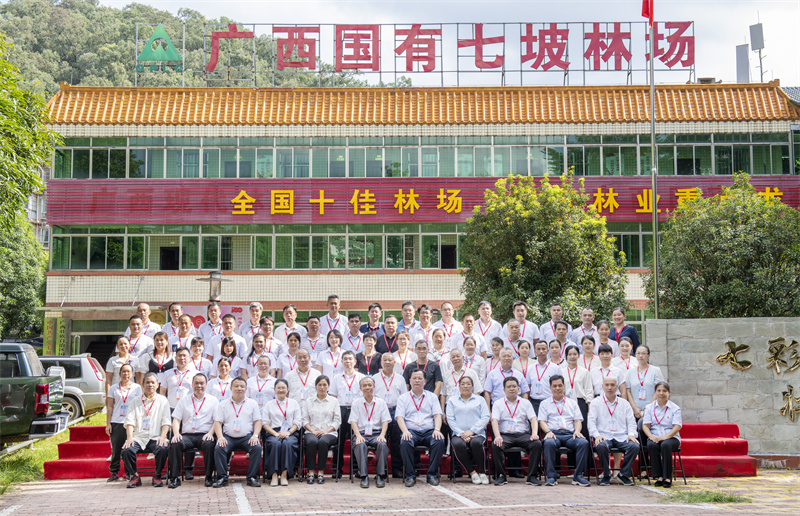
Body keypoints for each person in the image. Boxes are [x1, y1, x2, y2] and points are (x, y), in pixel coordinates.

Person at [537, 375, 591, 486]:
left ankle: (578, 476)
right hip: (553, 433)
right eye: (554, 386)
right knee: (548, 443)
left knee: (583, 443)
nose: (557, 388)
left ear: (564, 386)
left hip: (570, 434)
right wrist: (548, 431)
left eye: (560, 385)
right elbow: (542, 421)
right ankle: (551, 477)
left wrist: (577, 431)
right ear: (550, 387)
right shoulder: (544, 403)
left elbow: (577, 420)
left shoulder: (572, 403)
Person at [396, 369, 446, 487]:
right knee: (405, 442)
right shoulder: (403, 398)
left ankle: (432, 475)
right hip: (411, 431)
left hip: (429, 431)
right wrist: (405, 431)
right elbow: (399, 417)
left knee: (439, 440)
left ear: (425, 381)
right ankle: (410, 475)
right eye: (414, 378)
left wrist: (437, 430)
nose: (417, 381)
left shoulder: (432, 397)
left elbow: (437, 415)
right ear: (410, 381)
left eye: (420, 378)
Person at [167, 373, 219, 488]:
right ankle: (175, 478)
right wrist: (176, 434)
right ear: (192, 385)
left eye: (201, 383)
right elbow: (176, 419)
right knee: (175, 443)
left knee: (209, 444)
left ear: (206, 385)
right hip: (187, 435)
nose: (199, 386)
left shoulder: (213, 400)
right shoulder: (184, 400)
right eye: (196, 383)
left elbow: (217, 421)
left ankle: (208, 477)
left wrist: (210, 433)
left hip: (205, 434)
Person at [121, 373, 171, 488]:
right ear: (142, 385)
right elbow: (130, 421)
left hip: (155, 436)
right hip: (138, 437)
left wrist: (162, 437)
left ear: (157, 385)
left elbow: (166, 421)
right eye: (147, 382)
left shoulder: (163, 401)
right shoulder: (135, 401)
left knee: (163, 448)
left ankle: (157, 475)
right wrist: (129, 438)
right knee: (126, 450)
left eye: (153, 382)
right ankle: (134, 476)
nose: (150, 385)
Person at [490, 376, 542, 486]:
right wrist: (498, 436)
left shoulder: (525, 403)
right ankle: (501, 475)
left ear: (518, 389)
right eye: (509, 387)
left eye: (514, 386)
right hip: (506, 435)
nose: (512, 389)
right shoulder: (498, 403)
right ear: (504, 390)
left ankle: (532, 476)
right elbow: (494, 420)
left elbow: (533, 419)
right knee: (496, 445)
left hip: (523, 435)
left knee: (536, 444)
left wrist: (534, 434)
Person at [587, 376, 639, 486]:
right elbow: (591, 422)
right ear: (602, 386)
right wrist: (596, 435)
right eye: (607, 385)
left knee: (634, 446)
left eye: (612, 385)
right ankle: (607, 474)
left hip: (622, 436)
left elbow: (631, 422)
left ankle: (623, 474)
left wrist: (631, 434)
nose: (609, 388)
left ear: (617, 387)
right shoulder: (596, 402)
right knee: (601, 445)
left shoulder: (624, 403)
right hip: (604, 436)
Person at [212, 377, 263, 488]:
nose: (239, 388)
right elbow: (217, 422)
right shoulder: (223, 404)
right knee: (219, 448)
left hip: (246, 437)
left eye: (242, 386)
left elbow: (258, 421)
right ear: (231, 388)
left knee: (257, 448)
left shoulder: (253, 403)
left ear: (246, 389)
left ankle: (252, 478)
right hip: (228, 437)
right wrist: (220, 437)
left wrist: (255, 435)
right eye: (236, 386)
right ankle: (222, 478)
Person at [446, 376, 490, 485]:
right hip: (459, 434)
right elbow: (450, 419)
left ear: (473, 386)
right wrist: (462, 434)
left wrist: (472, 431)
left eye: (468, 384)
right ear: (459, 386)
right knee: (458, 444)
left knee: (476, 443)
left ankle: (482, 472)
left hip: (477, 433)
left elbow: (485, 417)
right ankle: (472, 472)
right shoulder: (452, 400)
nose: (466, 386)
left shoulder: (480, 400)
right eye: (463, 384)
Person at [349, 377, 391, 488]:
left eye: (369, 385)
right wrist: (358, 436)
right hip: (361, 433)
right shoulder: (356, 403)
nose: (367, 387)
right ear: (360, 388)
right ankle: (364, 476)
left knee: (382, 444)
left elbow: (385, 421)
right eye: (364, 385)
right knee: (360, 444)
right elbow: (353, 422)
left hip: (377, 433)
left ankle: (380, 475)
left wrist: (382, 435)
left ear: (374, 387)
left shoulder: (381, 402)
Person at [372, 353, 407, 478]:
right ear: (381, 363)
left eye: (390, 360)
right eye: (385, 360)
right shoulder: (375, 378)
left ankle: (397, 469)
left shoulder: (400, 378)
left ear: (394, 363)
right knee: (380, 440)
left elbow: (404, 398)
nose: (387, 362)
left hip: (395, 411)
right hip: (379, 412)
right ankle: (382, 469)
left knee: (396, 440)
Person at [329, 351, 364, 478]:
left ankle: (357, 468)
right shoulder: (336, 378)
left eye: (350, 359)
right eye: (345, 359)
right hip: (341, 409)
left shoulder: (361, 377)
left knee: (356, 439)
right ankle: (337, 469)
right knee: (339, 441)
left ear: (355, 361)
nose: (348, 361)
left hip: (356, 410)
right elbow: (333, 397)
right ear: (342, 362)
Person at [105, 364, 142, 482]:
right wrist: (108, 423)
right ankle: (114, 472)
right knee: (116, 449)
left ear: (132, 374)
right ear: (119, 373)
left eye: (128, 372)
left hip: (131, 423)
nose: (126, 374)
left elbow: (140, 406)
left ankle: (128, 472)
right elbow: (110, 406)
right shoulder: (113, 388)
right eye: (124, 372)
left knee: (128, 448)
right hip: (117, 421)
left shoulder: (137, 388)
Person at [261, 379, 300, 487]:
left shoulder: (294, 403)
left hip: (290, 432)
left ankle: (284, 475)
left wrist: (288, 433)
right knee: (275, 443)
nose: (281, 390)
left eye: (283, 388)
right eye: (278, 388)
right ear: (274, 390)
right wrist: (275, 434)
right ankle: (273, 475)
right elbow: (265, 423)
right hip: (274, 432)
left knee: (287, 443)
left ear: (288, 390)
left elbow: (297, 422)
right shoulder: (269, 404)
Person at [302, 375, 341, 484]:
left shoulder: (334, 401)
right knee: (312, 442)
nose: (322, 387)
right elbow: (304, 420)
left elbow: (337, 420)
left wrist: (326, 431)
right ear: (316, 386)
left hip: (329, 432)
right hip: (311, 431)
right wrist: (313, 431)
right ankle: (310, 472)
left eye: (325, 385)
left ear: (328, 386)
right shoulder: (308, 401)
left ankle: (321, 473)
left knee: (323, 442)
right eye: (319, 385)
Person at [642, 382, 682, 488]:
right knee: (651, 445)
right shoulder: (649, 407)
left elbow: (677, 426)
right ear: (655, 392)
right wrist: (651, 436)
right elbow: (645, 425)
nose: (661, 393)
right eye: (659, 391)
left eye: (664, 391)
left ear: (669, 393)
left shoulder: (675, 408)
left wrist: (665, 437)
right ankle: (659, 476)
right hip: (654, 436)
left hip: (671, 437)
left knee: (665, 445)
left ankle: (667, 477)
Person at [560, 345, 594, 439]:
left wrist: (589, 407)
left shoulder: (584, 372)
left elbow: (588, 390)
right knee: (568, 426)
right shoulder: (561, 371)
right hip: (566, 402)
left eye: (575, 354)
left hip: (580, 402)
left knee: (583, 428)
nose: (572, 357)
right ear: (566, 356)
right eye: (570, 354)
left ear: (579, 355)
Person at [627, 345, 665, 421]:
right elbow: (628, 391)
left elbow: (659, 390)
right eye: (638, 353)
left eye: (644, 353)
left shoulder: (655, 370)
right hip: (635, 411)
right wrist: (634, 408)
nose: (641, 356)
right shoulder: (630, 372)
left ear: (648, 355)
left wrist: (648, 408)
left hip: (653, 410)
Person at [527, 340, 560, 413]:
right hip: (534, 402)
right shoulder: (530, 368)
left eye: (543, 349)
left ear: (547, 351)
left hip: (550, 402)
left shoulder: (555, 368)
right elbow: (528, 387)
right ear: (535, 351)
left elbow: (560, 386)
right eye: (538, 349)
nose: (541, 351)